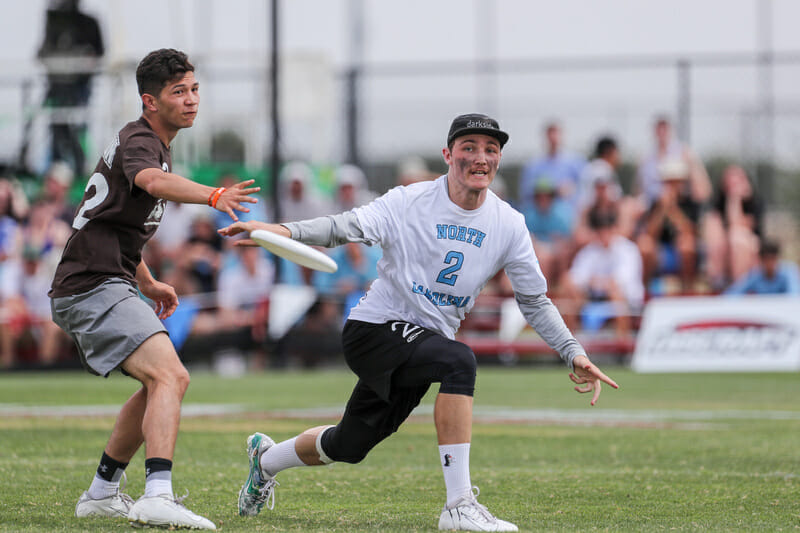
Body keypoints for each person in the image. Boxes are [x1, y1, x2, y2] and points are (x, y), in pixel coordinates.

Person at [220, 113, 619, 532]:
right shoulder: (408, 201)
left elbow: (534, 301)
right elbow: (342, 227)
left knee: (349, 445)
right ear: (448, 155)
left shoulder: (509, 224)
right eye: (469, 148)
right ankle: (458, 506)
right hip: (374, 329)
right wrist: (279, 230)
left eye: (491, 150)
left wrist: (573, 352)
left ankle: (264, 461)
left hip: (423, 345)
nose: (480, 158)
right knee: (459, 362)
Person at [48, 48, 259, 530]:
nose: (191, 100)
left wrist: (147, 281)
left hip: (104, 280)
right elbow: (151, 181)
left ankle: (102, 492)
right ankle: (157, 493)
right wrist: (212, 195)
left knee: (158, 382)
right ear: (150, 101)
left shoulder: (151, 139)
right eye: (178, 92)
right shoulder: (142, 142)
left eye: (195, 89)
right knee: (172, 377)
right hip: (90, 286)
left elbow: (113, 225)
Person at [36, 0, 105, 175]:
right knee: (57, 126)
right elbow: (43, 51)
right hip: (57, 87)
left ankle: (79, 167)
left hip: (79, 88)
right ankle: (57, 168)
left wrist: (83, 61)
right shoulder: (54, 21)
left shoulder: (90, 23)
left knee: (77, 127)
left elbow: (100, 52)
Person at [559, 209, 644, 338]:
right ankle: (568, 345)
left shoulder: (628, 250)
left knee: (616, 294)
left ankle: (622, 345)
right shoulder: (590, 250)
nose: (604, 235)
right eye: (601, 231)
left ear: (614, 229)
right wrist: (598, 283)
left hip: (628, 302)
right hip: (595, 298)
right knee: (568, 286)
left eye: (607, 230)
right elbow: (575, 277)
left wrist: (594, 281)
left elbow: (620, 282)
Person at [703, 164, 764, 291]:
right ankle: (718, 285)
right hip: (725, 254)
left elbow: (737, 227)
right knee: (717, 238)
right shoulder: (717, 207)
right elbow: (713, 235)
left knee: (737, 240)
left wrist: (734, 199)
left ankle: (738, 289)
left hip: (749, 251)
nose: (734, 185)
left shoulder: (755, 204)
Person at [635, 115, 711, 210]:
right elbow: (639, 187)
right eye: (659, 129)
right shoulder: (646, 158)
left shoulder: (684, 153)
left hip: (678, 197)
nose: (662, 133)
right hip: (651, 200)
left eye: (665, 129)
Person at [517, 121, 585, 214]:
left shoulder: (575, 162)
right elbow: (525, 193)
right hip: (540, 216)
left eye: (556, 135)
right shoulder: (533, 165)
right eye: (550, 135)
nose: (553, 139)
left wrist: (571, 190)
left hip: (569, 216)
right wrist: (552, 191)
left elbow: (584, 189)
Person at [724, 239, 800, 295]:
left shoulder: (789, 272)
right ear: (761, 260)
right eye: (767, 259)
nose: (770, 263)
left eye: (772, 259)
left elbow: (794, 295)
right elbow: (734, 292)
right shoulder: (755, 274)